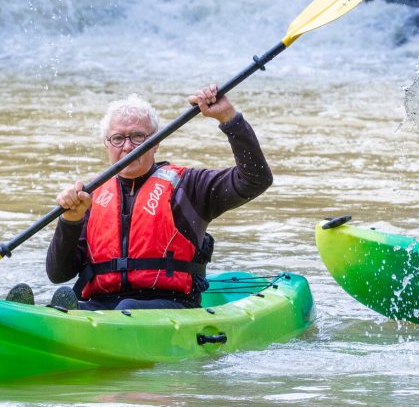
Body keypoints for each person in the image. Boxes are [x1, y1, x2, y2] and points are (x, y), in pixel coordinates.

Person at [40, 87, 273, 310]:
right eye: (118, 138)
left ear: (156, 143)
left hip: (171, 304)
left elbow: (255, 179)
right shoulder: (90, 197)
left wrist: (228, 118)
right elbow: (58, 274)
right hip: (102, 305)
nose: (128, 147)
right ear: (107, 144)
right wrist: (70, 220)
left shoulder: (189, 185)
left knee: (127, 306)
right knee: (69, 306)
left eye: (138, 137)